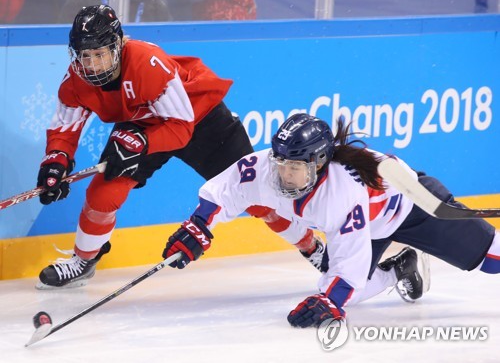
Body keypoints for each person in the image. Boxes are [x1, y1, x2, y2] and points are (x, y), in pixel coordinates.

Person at [35, 4, 323, 289]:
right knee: (103, 193)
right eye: (86, 56)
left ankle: (312, 246)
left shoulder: (146, 62)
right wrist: (56, 160)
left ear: (117, 46)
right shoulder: (76, 81)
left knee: (258, 197)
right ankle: (84, 260)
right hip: (142, 122)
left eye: (100, 54)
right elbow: (64, 127)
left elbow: (180, 128)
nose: (93, 65)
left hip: (199, 118)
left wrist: (142, 144)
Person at [161, 112, 497, 328]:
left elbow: (348, 261)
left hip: (414, 208)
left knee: (493, 261)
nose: (284, 176)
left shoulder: (340, 193)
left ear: (319, 162)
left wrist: (330, 301)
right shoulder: (266, 167)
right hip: (372, 228)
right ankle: (400, 268)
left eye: (294, 168)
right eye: (280, 164)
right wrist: (198, 225)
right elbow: (225, 189)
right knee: (356, 289)